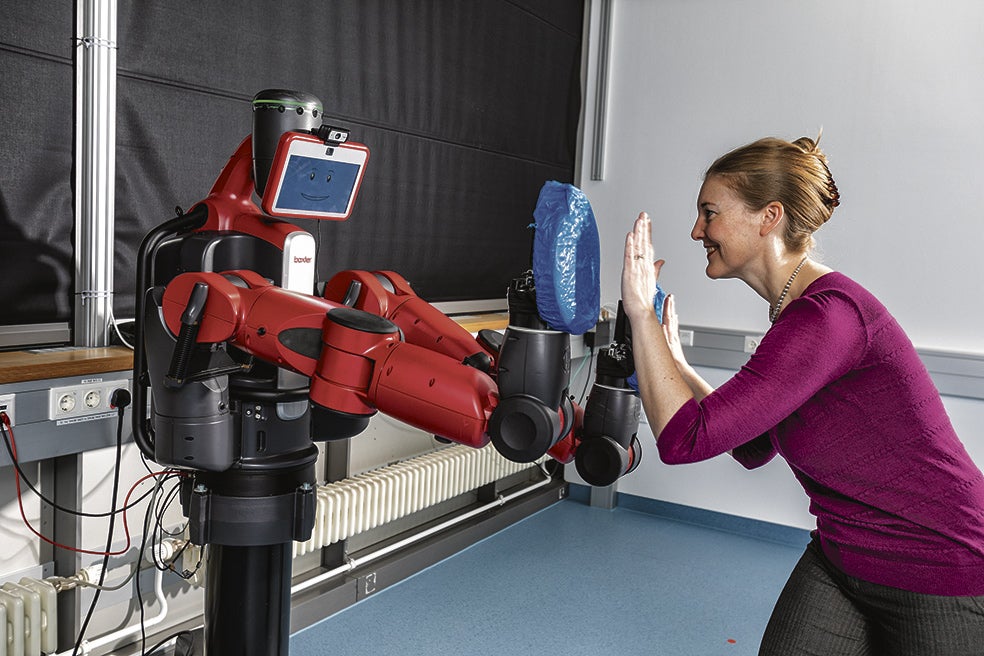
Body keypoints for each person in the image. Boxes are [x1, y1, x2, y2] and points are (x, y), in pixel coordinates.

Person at [621, 135, 984, 655]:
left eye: (709, 213)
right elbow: (751, 446)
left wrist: (640, 315)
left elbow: (683, 441)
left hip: (937, 559)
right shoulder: (800, 318)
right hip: (842, 555)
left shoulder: (827, 316)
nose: (697, 230)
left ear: (768, 217)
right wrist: (675, 363)